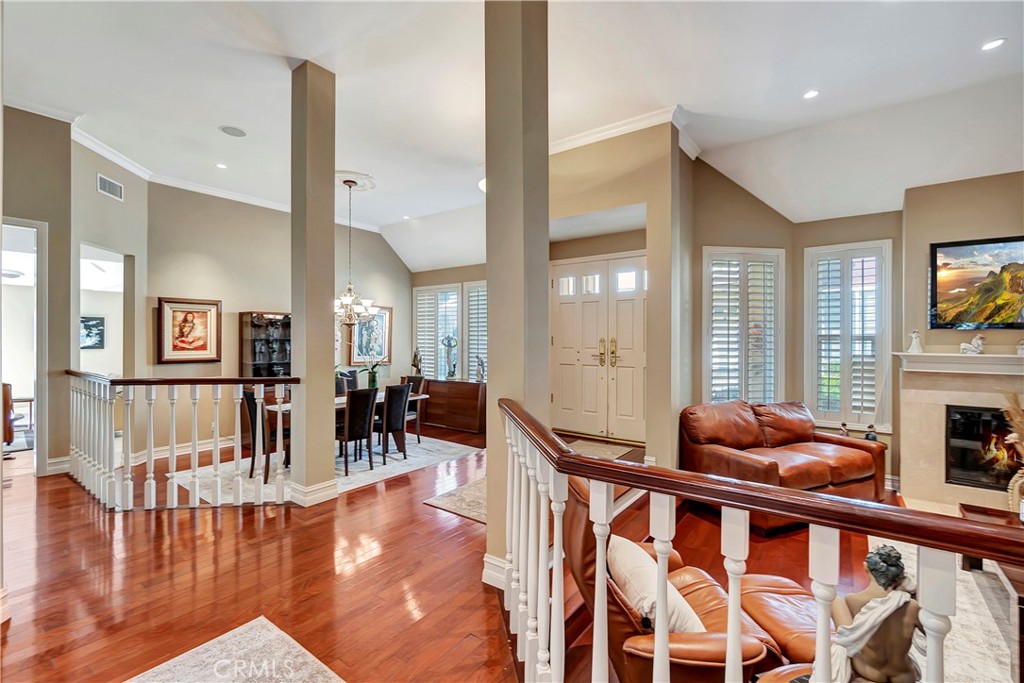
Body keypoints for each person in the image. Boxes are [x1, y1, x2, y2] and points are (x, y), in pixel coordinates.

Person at [824, 545, 924, 683]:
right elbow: (930, 637)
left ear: (866, 567)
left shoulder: (852, 601)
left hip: (872, 672)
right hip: (904, 675)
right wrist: (914, 594)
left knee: (833, 601)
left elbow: (847, 641)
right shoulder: (912, 606)